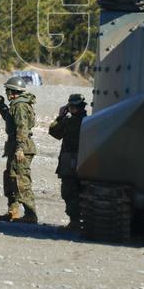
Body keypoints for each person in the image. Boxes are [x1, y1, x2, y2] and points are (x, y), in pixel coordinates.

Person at [0, 76, 37, 223]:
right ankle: (13, 211)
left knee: (21, 180)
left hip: (22, 147)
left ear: (13, 91)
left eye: (8, 90)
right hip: (15, 146)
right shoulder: (16, 105)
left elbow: (22, 128)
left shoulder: (20, 106)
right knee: (11, 178)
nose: (6, 93)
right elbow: (9, 119)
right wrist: (1, 105)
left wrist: (19, 148)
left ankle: (30, 214)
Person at [49, 94, 86, 231]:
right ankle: (79, 220)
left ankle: (75, 221)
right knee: (77, 191)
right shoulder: (88, 120)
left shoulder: (71, 122)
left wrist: (60, 116)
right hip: (80, 161)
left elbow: (54, 131)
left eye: (73, 107)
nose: (72, 109)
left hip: (71, 162)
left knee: (69, 192)